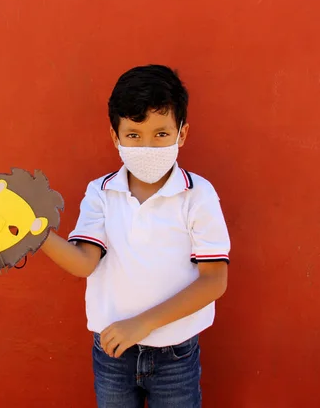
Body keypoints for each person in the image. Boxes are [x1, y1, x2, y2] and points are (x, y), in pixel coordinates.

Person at [40, 64, 231, 408]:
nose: (147, 146)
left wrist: (141, 325)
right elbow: (84, 262)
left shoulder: (198, 195)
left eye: (161, 134)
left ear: (182, 134)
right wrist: (35, 234)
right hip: (113, 351)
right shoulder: (99, 193)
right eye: (133, 135)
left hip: (176, 354)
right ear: (115, 136)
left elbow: (214, 280)